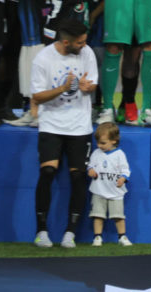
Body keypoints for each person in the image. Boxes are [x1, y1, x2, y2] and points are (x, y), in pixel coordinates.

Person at [30, 19, 98, 249]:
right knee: (48, 171)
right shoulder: (43, 58)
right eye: (79, 42)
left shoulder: (86, 52)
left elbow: (92, 83)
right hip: (51, 124)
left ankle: (70, 232)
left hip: (80, 125)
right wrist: (64, 87)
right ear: (66, 42)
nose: (84, 45)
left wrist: (88, 87)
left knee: (78, 176)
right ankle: (41, 231)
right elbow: (37, 97)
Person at [8, 0, 49, 127]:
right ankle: (34, 109)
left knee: (33, 53)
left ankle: (36, 110)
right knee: (35, 51)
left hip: (30, 7)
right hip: (41, 7)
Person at [87, 122, 133, 247]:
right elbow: (90, 165)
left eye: (103, 143)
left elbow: (125, 169)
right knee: (98, 215)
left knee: (118, 216)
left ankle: (122, 236)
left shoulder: (119, 154)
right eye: (98, 143)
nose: (99, 146)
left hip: (115, 192)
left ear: (114, 140)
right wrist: (91, 171)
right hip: (99, 190)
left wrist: (123, 179)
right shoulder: (96, 153)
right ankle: (97, 237)